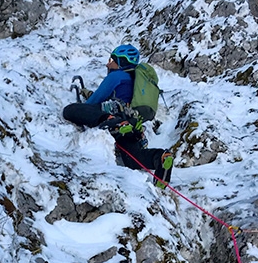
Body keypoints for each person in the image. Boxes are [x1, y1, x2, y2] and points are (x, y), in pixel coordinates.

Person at [62, 44, 174, 185]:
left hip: (117, 117)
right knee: (133, 159)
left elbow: (93, 102)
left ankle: (113, 121)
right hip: (133, 122)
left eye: (112, 60)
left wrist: (86, 102)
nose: (108, 64)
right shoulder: (136, 80)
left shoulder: (116, 76)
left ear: (121, 62)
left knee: (70, 110)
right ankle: (160, 157)